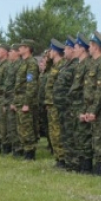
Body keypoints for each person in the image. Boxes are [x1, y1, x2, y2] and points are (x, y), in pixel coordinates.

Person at [82, 31, 101, 176]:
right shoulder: (93, 63)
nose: (89, 47)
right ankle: (96, 166)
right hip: (91, 106)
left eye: (91, 45)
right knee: (95, 137)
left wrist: (93, 110)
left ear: (96, 47)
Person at [68, 33, 93, 173]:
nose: (74, 50)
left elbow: (87, 90)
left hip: (83, 106)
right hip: (76, 106)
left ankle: (86, 166)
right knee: (78, 136)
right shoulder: (79, 65)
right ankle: (80, 163)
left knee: (84, 136)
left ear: (83, 49)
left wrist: (84, 109)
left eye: (76, 47)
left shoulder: (88, 65)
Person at [54, 36, 79, 171]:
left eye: (67, 49)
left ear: (72, 50)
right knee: (65, 135)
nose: (64, 52)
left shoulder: (76, 66)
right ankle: (68, 162)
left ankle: (74, 163)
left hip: (69, 107)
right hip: (62, 107)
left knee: (71, 135)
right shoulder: (66, 65)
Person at [11, 39, 39, 159]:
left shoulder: (31, 63)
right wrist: (14, 101)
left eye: (22, 46)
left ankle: (30, 152)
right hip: (19, 98)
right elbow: (18, 84)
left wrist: (27, 103)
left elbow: (31, 84)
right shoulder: (23, 63)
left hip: (25, 99)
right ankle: (24, 149)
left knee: (27, 127)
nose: (20, 48)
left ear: (28, 48)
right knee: (20, 127)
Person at [44, 39, 66, 167]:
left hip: (57, 104)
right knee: (53, 133)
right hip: (51, 104)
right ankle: (58, 157)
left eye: (51, 50)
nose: (49, 53)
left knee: (58, 132)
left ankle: (62, 158)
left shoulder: (62, 65)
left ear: (56, 51)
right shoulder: (54, 66)